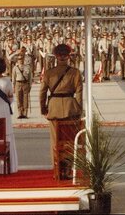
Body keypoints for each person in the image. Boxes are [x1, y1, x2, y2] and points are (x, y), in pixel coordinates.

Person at [39, 42, 83, 180]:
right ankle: (69, 170)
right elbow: (79, 93)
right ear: (68, 56)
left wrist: (43, 108)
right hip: (71, 109)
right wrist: (79, 108)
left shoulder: (49, 73)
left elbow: (42, 93)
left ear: (56, 56)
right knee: (70, 141)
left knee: (55, 141)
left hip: (54, 109)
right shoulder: (75, 72)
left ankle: (57, 170)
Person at [11, 48, 32, 119]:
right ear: (17, 60)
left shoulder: (27, 67)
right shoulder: (15, 68)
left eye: (22, 59)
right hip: (18, 84)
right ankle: (20, 113)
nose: (20, 61)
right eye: (19, 60)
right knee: (19, 99)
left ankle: (25, 113)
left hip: (25, 84)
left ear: (24, 59)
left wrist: (30, 86)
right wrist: (13, 86)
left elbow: (30, 78)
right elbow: (13, 78)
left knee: (25, 99)